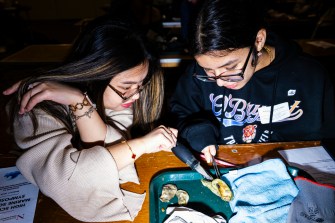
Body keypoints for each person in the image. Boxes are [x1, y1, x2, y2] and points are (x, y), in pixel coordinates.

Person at [3, 16, 178, 222]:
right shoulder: (37, 104)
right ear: (94, 73)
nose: (137, 95)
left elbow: (107, 147)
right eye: (126, 87)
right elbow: (72, 182)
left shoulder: (116, 101)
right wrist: (142, 144)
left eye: (140, 85)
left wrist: (80, 103)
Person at [168, 0, 335, 163]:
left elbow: (322, 144)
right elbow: (179, 114)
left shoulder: (309, 76)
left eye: (231, 67)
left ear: (258, 40)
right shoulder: (197, 73)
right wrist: (196, 131)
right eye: (209, 71)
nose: (219, 82)